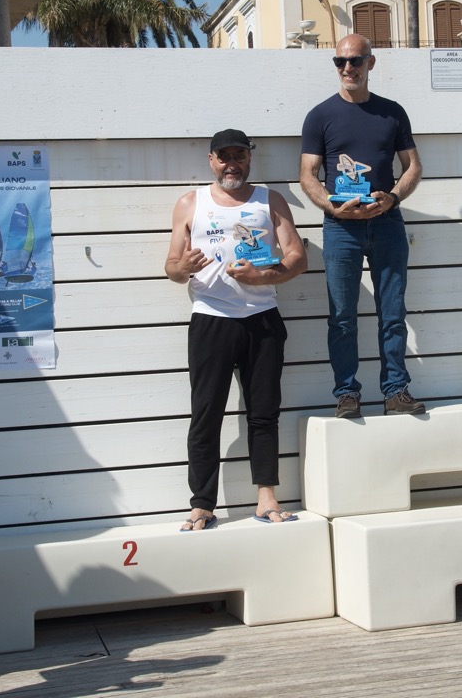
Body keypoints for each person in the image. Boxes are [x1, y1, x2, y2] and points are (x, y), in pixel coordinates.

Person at [164, 129, 308, 530]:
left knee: (264, 413)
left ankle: (267, 498)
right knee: (205, 414)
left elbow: (297, 258)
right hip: (210, 318)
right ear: (211, 160)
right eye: (224, 157)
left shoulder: (270, 200)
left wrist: (264, 277)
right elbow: (172, 266)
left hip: (262, 319)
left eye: (239, 156)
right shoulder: (190, 203)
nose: (232, 164)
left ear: (249, 159)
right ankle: (201, 504)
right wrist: (183, 268)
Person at [300, 33, 425, 419]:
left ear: (371, 63)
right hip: (341, 229)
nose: (348, 68)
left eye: (355, 60)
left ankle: (396, 392)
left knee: (393, 312)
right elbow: (307, 174)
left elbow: (413, 167)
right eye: (340, 62)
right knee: (341, 316)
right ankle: (346, 395)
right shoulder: (320, 116)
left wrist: (394, 198)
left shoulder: (393, 113)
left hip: (386, 223)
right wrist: (334, 209)